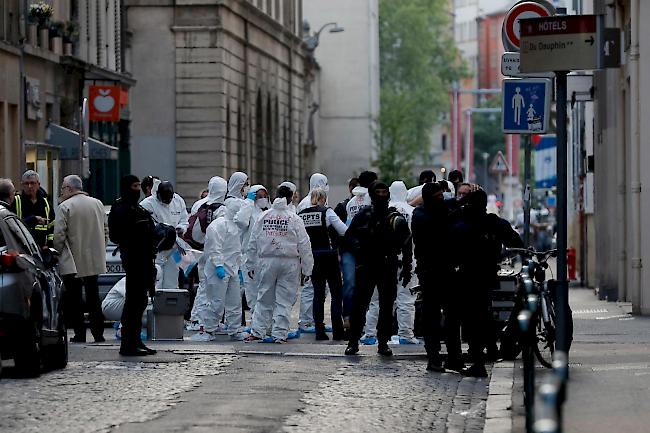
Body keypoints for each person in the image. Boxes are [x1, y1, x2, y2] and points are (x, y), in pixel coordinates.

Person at [451, 189, 523, 377]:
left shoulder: (461, 222)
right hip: (488, 273)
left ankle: (477, 359)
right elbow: (516, 242)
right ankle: (490, 349)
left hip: (466, 275)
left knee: (472, 317)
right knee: (485, 312)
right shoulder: (494, 222)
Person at [344, 181, 412, 357]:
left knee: (386, 306)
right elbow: (349, 238)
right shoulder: (363, 216)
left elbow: (406, 243)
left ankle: (383, 342)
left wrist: (407, 265)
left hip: (387, 265)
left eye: (384, 192)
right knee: (360, 305)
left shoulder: (395, 218)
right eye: (378, 192)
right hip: (366, 265)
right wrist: (358, 249)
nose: (381, 195)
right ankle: (353, 341)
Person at [245, 186, 314, 343]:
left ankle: (258, 331)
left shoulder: (264, 216)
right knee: (284, 300)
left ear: (275, 196)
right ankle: (280, 334)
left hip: (266, 260)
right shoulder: (294, 218)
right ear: (291, 198)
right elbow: (304, 244)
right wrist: (307, 269)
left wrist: (250, 265)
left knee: (263, 297)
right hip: (290, 262)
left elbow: (253, 242)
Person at [360, 180, 419, 345]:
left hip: (383, 261)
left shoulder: (384, 210)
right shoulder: (412, 212)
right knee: (406, 299)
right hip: (407, 259)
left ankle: (370, 333)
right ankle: (405, 334)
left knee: (376, 300)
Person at [412, 182, 462, 372]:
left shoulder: (442, 210)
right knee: (432, 316)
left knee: (452, 316)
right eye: (438, 196)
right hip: (430, 271)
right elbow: (436, 229)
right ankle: (434, 357)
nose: (442, 199)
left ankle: (454, 357)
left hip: (447, 269)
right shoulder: (421, 216)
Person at [53, 175, 108, 343]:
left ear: (69, 188)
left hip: (73, 260)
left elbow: (59, 235)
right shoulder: (97, 203)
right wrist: (101, 248)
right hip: (93, 258)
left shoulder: (65, 207)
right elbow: (106, 230)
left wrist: (57, 252)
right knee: (93, 297)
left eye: (62, 188)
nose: (61, 191)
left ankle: (80, 334)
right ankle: (98, 333)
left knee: (75, 299)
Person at [108, 175, 157, 356]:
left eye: (138, 186)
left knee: (141, 301)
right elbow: (116, 235)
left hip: (144, 259)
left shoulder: (138, 208)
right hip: (133, 258)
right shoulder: (120, 208)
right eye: (135, 186)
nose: (137, 189)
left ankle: (135, 340)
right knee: (133, 303)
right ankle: (128, 344)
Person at [192, 198, 246, 341]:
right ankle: (208, 330)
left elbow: (236, 248)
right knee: (216, 301)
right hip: (218, 269)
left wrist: (238, 266)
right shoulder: (218, 225)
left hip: (232, 268)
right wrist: (219, 265)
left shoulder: (234, 225)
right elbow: (214, 248)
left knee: (234, 302)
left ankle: (235, 329)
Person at [298, 188, 347, 340]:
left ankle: (319, 330)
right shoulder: (327, 212)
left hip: (312, 257)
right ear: (324, 198)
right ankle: (338, 330)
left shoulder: (302, 214)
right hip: (329, 255)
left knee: (318, 294)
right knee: (336, 293)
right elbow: (343, 230)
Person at [187, 176, 228, 330]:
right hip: (213, 249)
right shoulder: (222, 207)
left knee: (203, 284)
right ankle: (201, 319)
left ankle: (197, 318)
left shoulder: (199, 204)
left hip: (199, 248)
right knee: (209, 287)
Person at [295, 173, 330, 333]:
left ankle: (315, 319)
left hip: (316, 250)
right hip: (311, 251)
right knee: (310, 286)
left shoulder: (311, 202)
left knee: (320, 288)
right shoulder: (306, 204)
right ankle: (305, 321)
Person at [140, 180, 189, 289]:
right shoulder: (147, 204)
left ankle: (170, 303)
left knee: (172, 280)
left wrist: (181, 228)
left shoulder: (178, 201)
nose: (167, 202)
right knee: (156, 279)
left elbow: (184, 220)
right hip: (156, 249)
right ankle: (153, 303)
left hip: (174, 247)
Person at [241, 184, 269, 316]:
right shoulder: (249, 211)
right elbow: (241, 223)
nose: (263, 199)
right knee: (252, 291)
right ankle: (255, 322)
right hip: (249, 255)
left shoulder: (267, 212)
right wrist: (248, 202)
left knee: (265, 292)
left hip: (266, 256)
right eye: (259, 197)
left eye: (265, 196)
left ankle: (263, 323)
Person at [11, 170, 55, 249]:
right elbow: (12, 225)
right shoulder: (16, 201)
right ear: (22, 185)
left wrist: (49, 244)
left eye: (32, 183)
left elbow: (52, 227)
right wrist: (33, 219)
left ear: (38, 184)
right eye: (26, 183)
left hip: (42, 249)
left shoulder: (46, 203)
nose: (29, 186)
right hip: (23, 248)